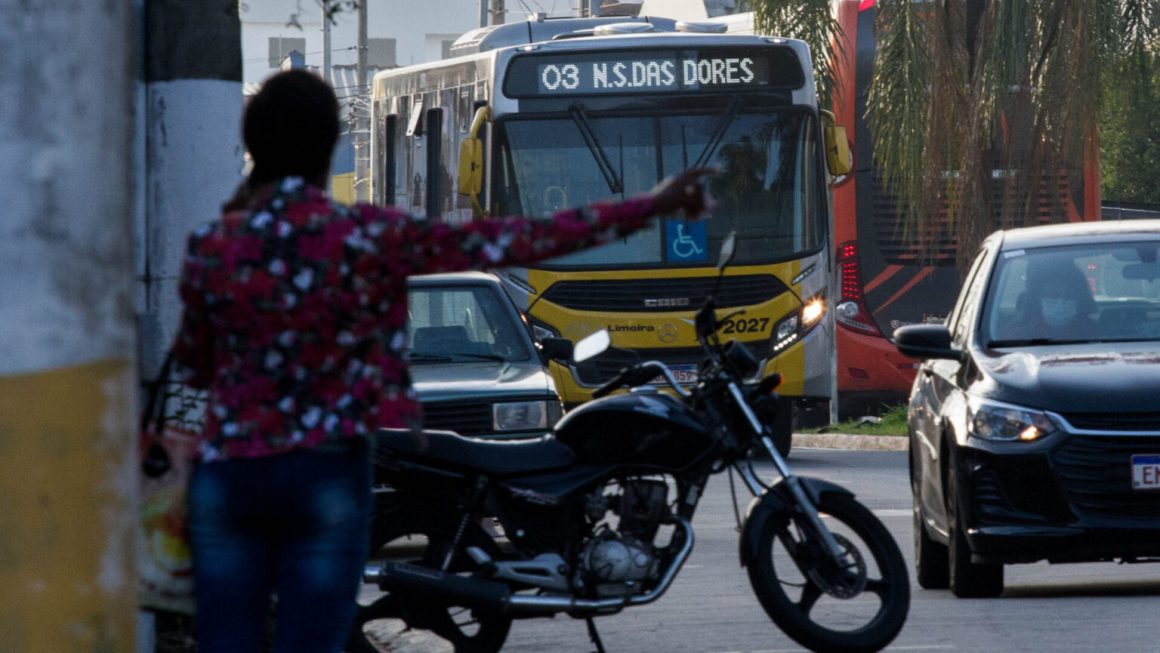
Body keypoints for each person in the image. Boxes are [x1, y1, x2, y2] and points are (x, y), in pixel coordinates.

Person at [170, 68, 713, 653]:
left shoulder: (213, 243)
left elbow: (196, 367)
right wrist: (649, 206)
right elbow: (518, 238)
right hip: (325, 472)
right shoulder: (363, 235)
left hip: (231, 473)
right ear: (328, 147)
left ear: (253, 145)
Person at [998, 256, 1097, 342]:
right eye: (1053, 294)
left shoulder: (1095, 334)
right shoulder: (1016, 337)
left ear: (1080, 298)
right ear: (1037, 298)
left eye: (1068, 295)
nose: (1061, 302)